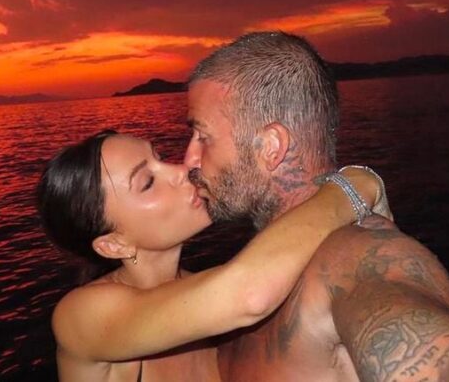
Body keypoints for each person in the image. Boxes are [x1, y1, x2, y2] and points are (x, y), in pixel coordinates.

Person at [184, 31, 449, 381]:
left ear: (270, 147)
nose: (189, 158)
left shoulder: (355, 257)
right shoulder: (251, 273)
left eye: (203, 137)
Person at [37, 129, 389, 381]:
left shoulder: (205, 296)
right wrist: (354, 187)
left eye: (160, 158)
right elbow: (248, 295)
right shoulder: (80, 317)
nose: (181, 171)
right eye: (147, 182)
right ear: (114, 245)